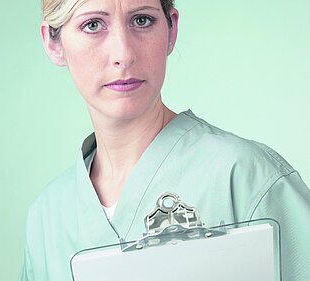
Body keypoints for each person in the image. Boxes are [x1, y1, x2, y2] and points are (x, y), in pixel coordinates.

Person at [19, 0, 310, 280]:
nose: (124, 54)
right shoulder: (46, 218)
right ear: (53, 43)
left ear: (171, 29)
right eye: (93, 25)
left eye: (142, 20)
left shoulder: (246, 178)